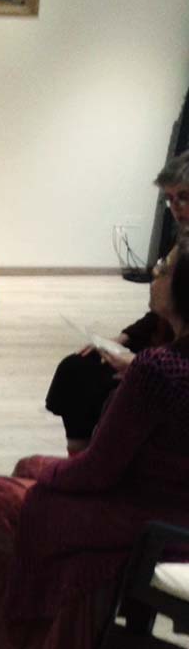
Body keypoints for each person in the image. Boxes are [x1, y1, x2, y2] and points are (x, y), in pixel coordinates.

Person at [0, 237, 189, 649]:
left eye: (164, 268)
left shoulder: (160, 370)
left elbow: (97, 471)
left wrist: (51, 474)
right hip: (171, 508)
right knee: (26, 470)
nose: (154, 274)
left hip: (147, 518)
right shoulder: (165, 363)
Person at [45, 152, 189, 454]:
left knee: (98, 384)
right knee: (78, 367)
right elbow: (160, 316)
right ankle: (81, 457)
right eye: (170, 200)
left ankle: (97, 464)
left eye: (183, 197)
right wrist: (121, 339)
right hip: (161, 352)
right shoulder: (180, 243)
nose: (176, 208)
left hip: (174, 368)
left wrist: (139, 365)